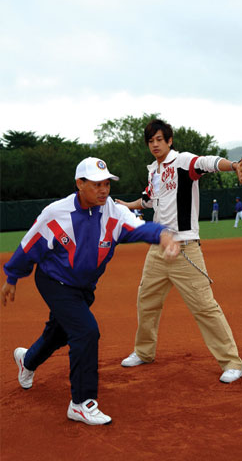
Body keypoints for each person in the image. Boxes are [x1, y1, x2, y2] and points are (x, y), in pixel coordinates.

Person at [1, 156, 179, 425]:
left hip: (83, 287)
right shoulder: (56, 213)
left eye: (106, 183)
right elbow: (30, 245)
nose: (104, 189)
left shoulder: (113, 212)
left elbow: (140, 228)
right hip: (54, 281)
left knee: (59, 332)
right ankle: (82, 402)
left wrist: (163, 236)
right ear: (79, 184)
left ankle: (28, 360)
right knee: (85, 331)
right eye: (96, 184)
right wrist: (12, 277)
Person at [116, 119, 242, 384]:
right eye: (150, 141)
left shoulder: (183, 161)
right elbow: (149, 201)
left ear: (169, 140)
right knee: (146, 301)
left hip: (185, 249)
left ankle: (231, 362)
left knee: (205, 307)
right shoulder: (153, 171)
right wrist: (127, 205)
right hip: (158, 249)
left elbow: (207, 162)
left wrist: (233, 165)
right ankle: (144, 351)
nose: (155, 145)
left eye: (159, 140)